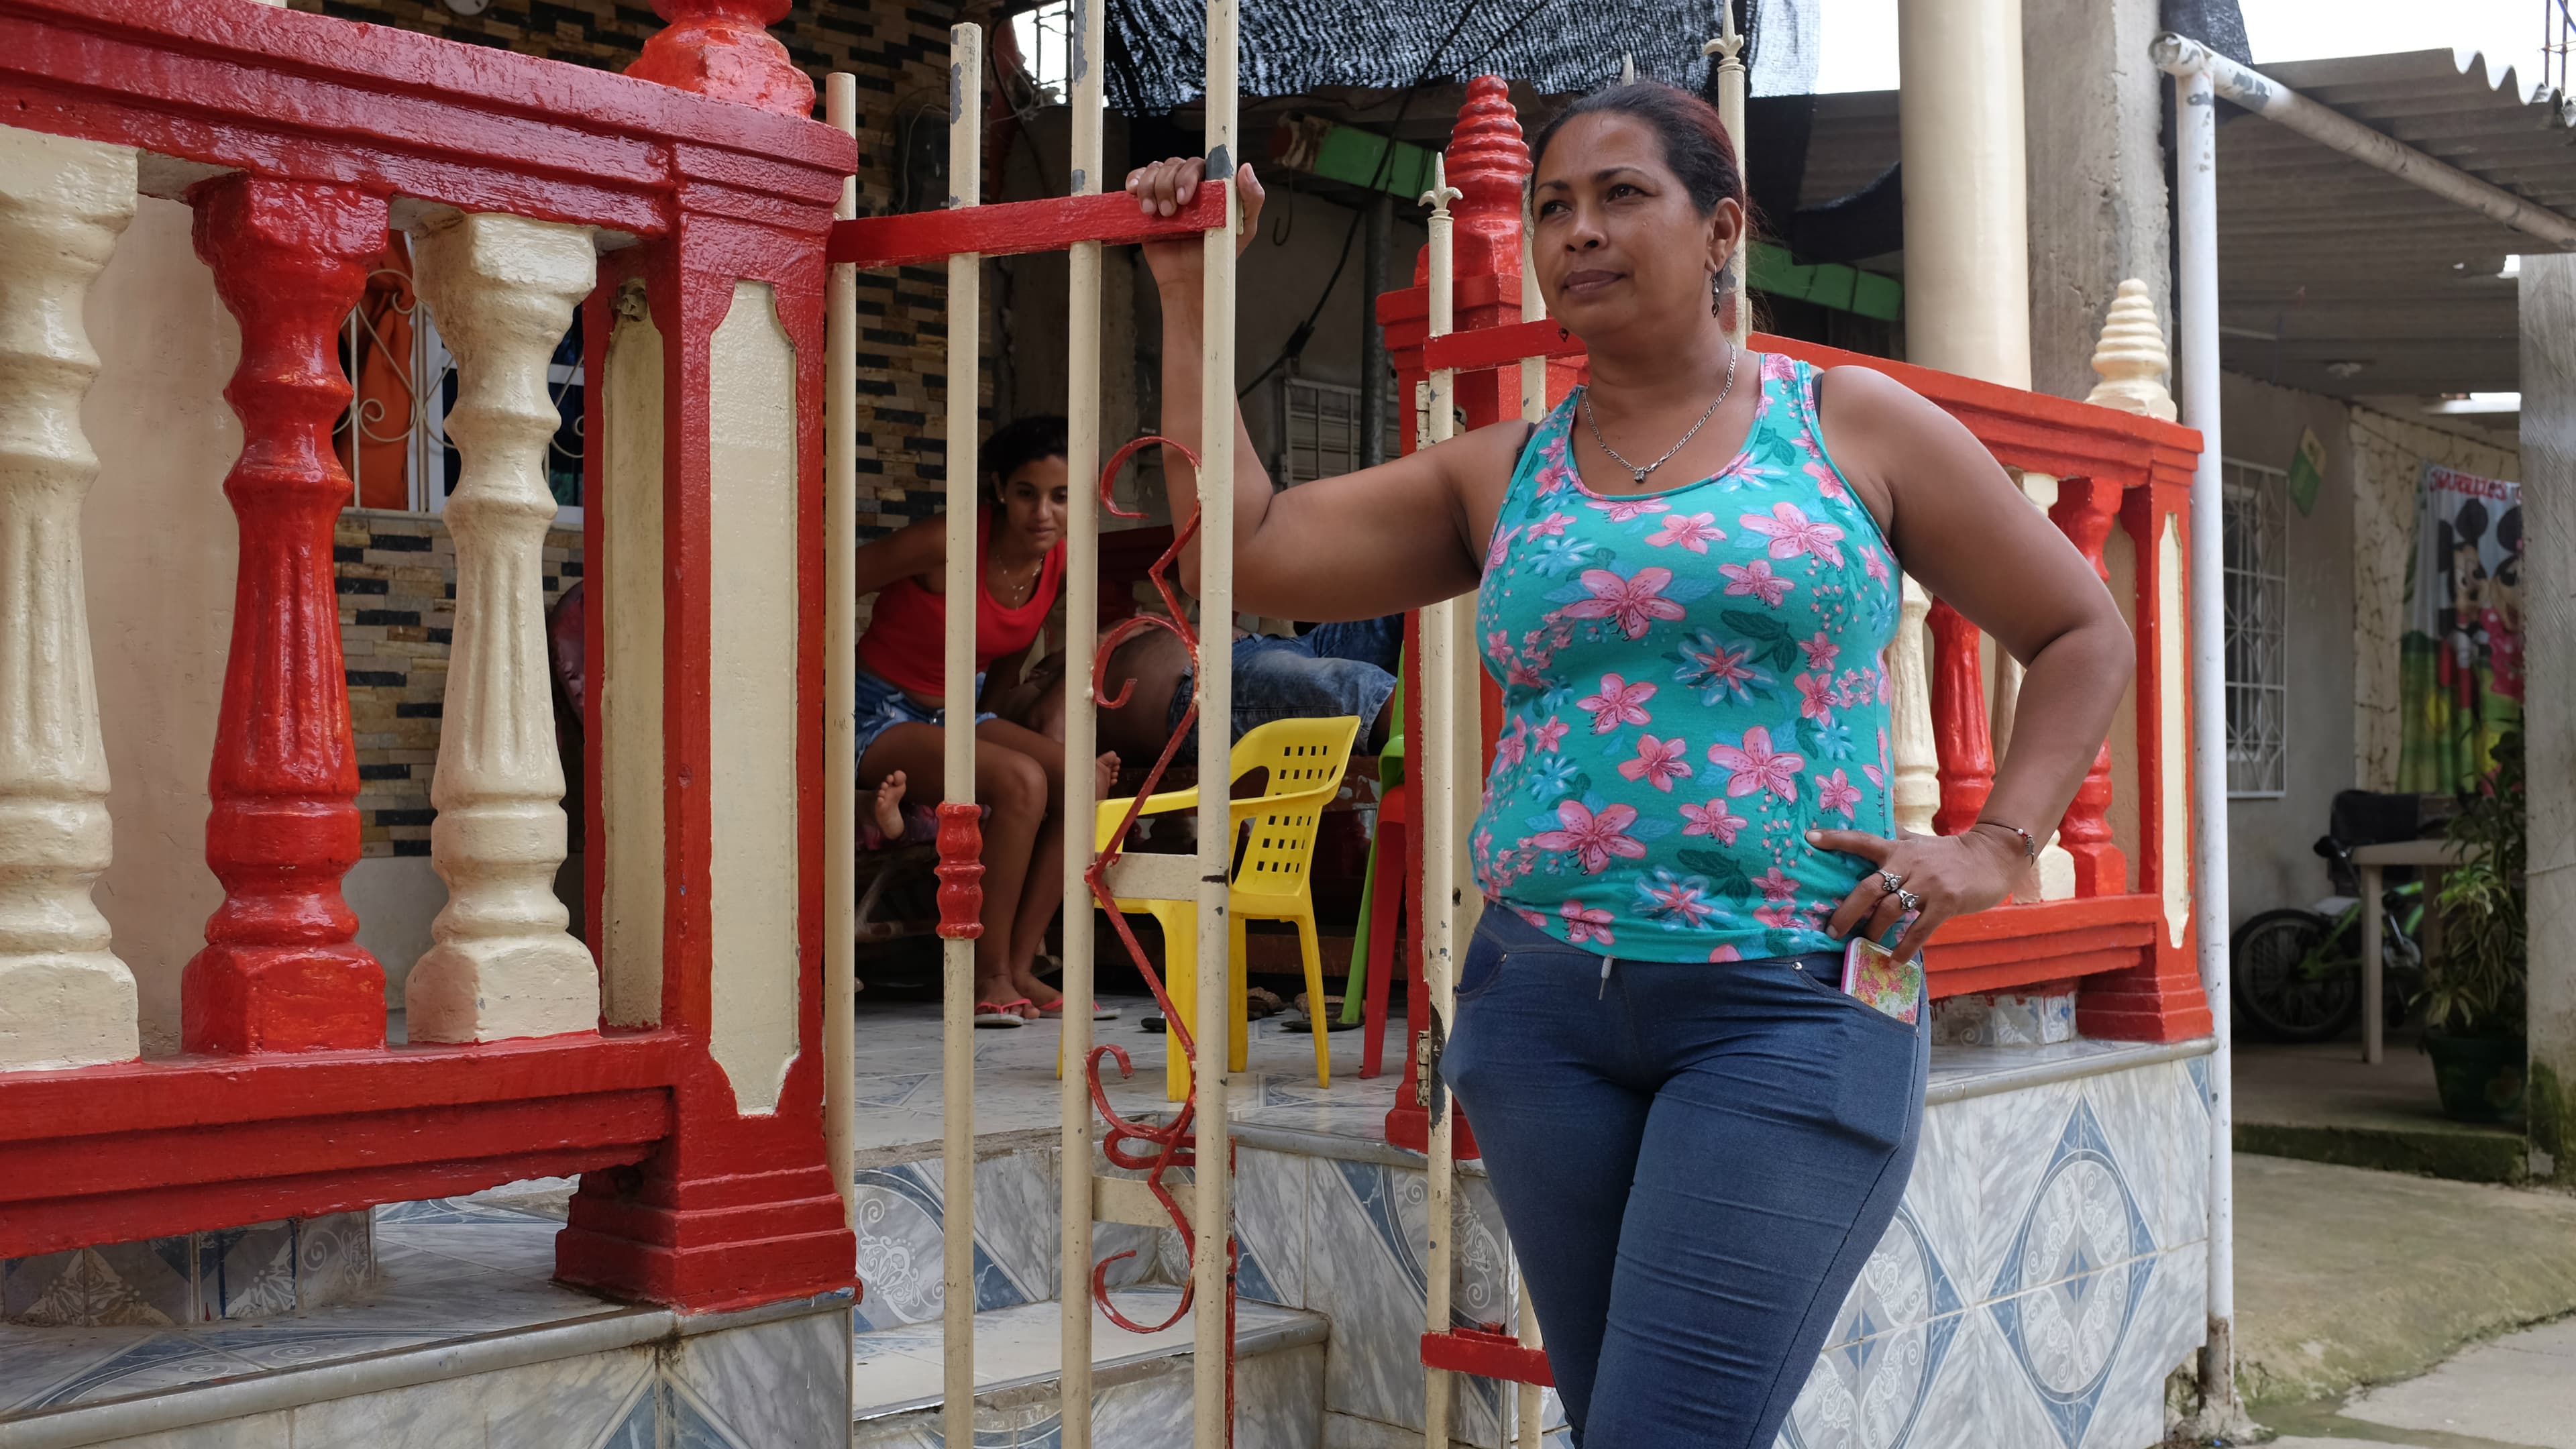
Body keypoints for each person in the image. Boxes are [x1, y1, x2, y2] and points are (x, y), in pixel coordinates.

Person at [1126, 79, 2132, 1448]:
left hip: (1789, 1002)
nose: (1578, 231)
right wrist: (1194, 296)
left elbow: (2081, 630)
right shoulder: (1506, 472)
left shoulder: (1849, 424)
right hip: (1545, 1013)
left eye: (1620, 196)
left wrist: (1995, 845)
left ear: (1722, 229)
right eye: (1553, 207)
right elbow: (1247, 553)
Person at [853, 415, 1116, 1026]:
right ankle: (984, 975)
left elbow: (1006, 661)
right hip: (876, 710)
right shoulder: (948, 542)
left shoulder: (1059, 561)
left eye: (1061, 496)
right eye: (1027, 493)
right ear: (1000, 489)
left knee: (1084, 780)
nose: (1043, 513)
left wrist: (996, 723)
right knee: (1021, 781)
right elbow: (829, 583)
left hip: (958, 708)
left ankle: (1019, 967)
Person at [1093, 614, 1402, 768]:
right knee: (1359, 691)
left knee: (1406, 611)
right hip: (1202, 698)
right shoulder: (1069, 686)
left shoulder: (1107, 634)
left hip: (1273, 646)